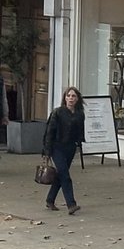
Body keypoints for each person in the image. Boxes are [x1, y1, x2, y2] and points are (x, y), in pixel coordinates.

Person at [43, 86, 86, 215]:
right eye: (68, 96)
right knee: (65, 176)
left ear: (77, 99)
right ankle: (71, 204)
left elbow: (80, 131)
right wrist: (47, 151)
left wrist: (79, 144)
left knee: (60, 175)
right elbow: (49, 132)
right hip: (57, 147)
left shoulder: (80, 114)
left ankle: (50, 200)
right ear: (65, 98)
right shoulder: (58, 112)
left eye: (73, 96)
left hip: (70, 147)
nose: (71, 98)